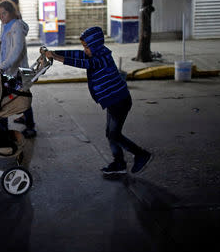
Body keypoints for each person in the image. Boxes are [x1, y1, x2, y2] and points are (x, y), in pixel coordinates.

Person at [44, 26, 152, 174]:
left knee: (114, 134)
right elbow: (77, 55)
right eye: (84, 47)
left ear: (95, 45)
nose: (85, 50)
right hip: (112, 101)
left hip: (119, 101)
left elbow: (84, 63)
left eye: (87, 47)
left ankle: (141, 154)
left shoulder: (102, 57)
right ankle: (119, 163)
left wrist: (56, 57)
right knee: (110, 133)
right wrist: (55, 53)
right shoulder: (94, 53)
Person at [0, 0, 37, 138]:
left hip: (16, 70)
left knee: (19, 95)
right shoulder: (6, 23)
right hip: (8, 69)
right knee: (17, 95)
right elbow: (1, 41)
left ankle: (29, 126)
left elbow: (15, 51)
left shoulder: (17, 25)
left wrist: (3, 66)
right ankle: (14, 123)